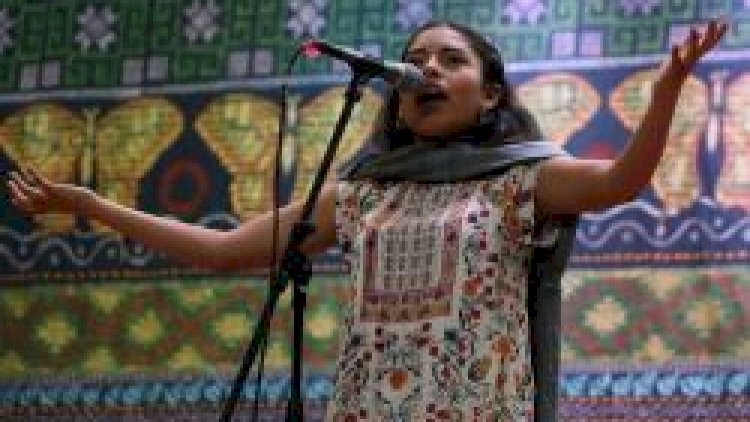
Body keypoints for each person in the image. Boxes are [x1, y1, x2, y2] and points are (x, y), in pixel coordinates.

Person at [6, 18, 726, 422]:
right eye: (414, 61)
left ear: (489, 95)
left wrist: (666, 91)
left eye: (450, 60)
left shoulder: (519, 178)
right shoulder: (360, 193)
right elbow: (224, 250)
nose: (427, 70)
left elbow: (621, 181)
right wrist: (90, 205)